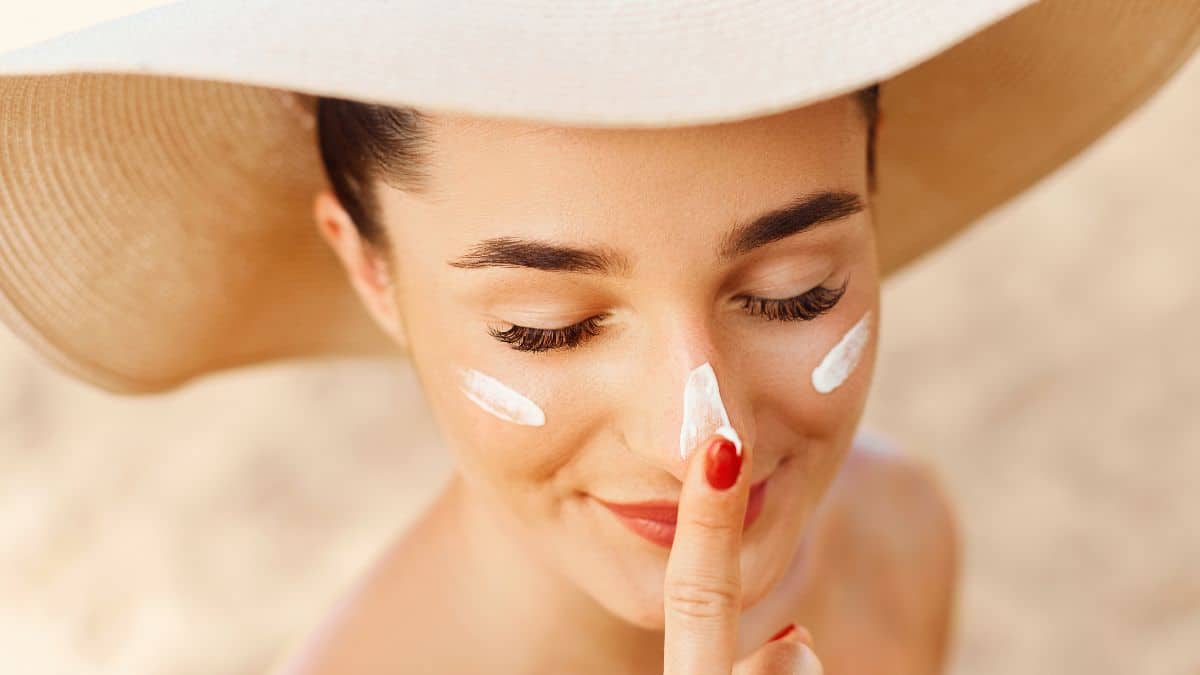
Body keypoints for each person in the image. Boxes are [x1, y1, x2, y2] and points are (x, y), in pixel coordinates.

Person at [0, 2, 1195, 673]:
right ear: (368, 265)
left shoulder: (895, 540)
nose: (698, 433)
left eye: (789, 292)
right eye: (549, 327)